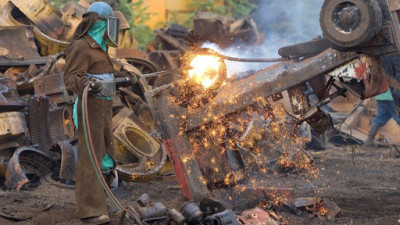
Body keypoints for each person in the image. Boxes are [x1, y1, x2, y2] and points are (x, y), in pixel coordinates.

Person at [63, 2, 137, 224]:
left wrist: (127, 77)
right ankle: (90, 211)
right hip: (89, 107)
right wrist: (88, 84)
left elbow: (105, 75)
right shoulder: (81, 46)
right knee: (91, 157)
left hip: (103, 107)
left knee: (105, 156)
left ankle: (101, 202)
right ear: (100, 23)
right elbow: (71, 79)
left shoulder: (100, 47)